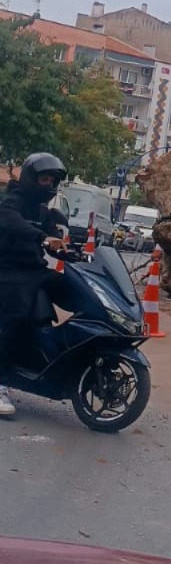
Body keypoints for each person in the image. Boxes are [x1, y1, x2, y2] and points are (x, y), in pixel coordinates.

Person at [0, 153, 68, 416]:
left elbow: (53, 237)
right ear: (31, 178)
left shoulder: (44, 211)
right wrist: (42, 237)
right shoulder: (13, 201)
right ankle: (1, 382)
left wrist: (62, 244)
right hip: (8, 271)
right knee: (14, 318)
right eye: (44, 179)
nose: (49, 184)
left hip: (34, 271)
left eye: (53, 180)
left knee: (71, 288)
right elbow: (10, 221)